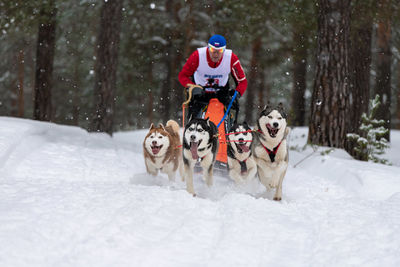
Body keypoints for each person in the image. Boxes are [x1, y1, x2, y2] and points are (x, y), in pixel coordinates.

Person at [178, 34, 247, 119]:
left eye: (220, 50)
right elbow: (182, 76)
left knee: (226, 116)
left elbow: (242, 81)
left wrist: (237, 94)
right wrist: (192, 87)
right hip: (199, 93)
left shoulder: (231, 58)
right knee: (195, 119)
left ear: (224, 50)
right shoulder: (197, 56)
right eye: (212, 49)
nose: (216, 54)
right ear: (208, 47)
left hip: (221, 93)